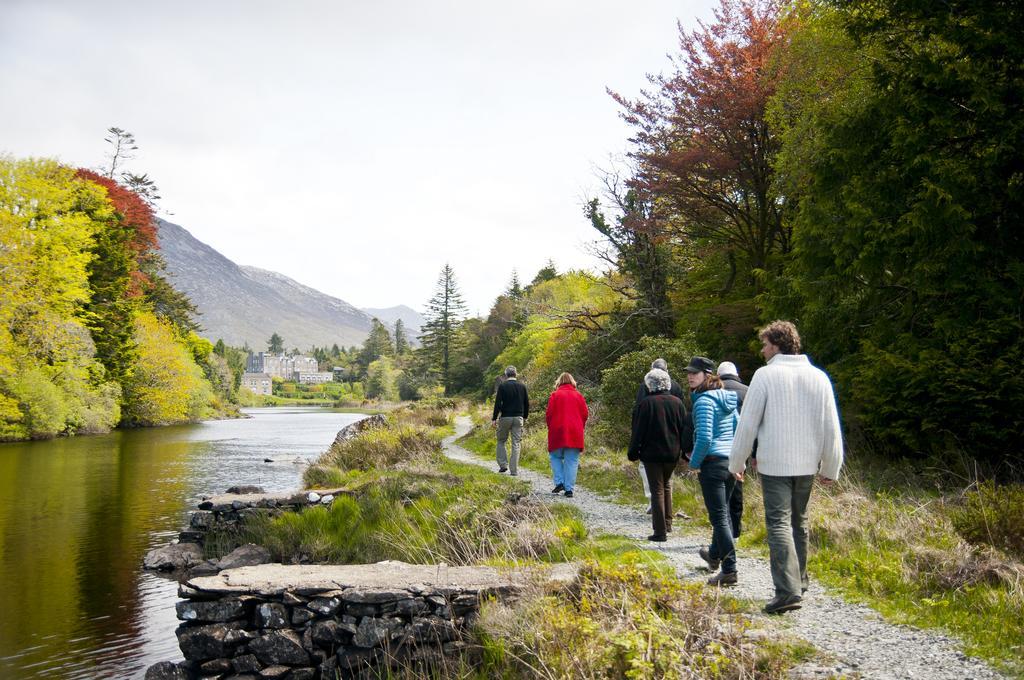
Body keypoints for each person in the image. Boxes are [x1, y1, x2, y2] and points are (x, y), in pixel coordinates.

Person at [729, 321, 844, 614]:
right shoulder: (819, 377)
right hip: (807, 463)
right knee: (799, 522)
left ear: (778, 344)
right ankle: (800, 582)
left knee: (779, 522)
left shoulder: (766, 376)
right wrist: (831, 466)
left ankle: (787, 591)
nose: (762, 349)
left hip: (775, 463)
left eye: (766, 344)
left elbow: (748, 424)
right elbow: (831, 426)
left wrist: (737, 462)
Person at [686, 356, 741, 587]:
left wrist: (694, 463)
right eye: (689, 372)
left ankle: (729, 570)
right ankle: (713, 554)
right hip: (729, 461)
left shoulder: (703, 401)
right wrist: (739, 461)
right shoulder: (729, 398)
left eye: (695, 373)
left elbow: (705, 437)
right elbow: (739, 429)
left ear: (707, 376)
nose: (690, 376)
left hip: (713, 463)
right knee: (724, 515)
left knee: (719, 518)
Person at [628, 368, 687, 542]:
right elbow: (683, 429)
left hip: (652, 453)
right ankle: (668, 523)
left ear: (649, 385)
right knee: (666, 485)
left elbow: (638, 431)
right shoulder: (678, 403)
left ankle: (659, 531)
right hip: (672, 452)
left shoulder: (646, 404)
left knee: (657, 490)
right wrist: (684, 451)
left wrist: (633, 452)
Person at [545, 372, 589, 498]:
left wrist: (550, 427)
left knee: (555, 456)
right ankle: (569, 489)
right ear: (572, 381)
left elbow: (549, 414)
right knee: (572, 460)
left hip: (557, 430)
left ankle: (559, 482)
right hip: (575, 431)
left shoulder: (555, 395)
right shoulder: (578, 395)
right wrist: (580, 426)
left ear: (559, 382)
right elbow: (585, 414)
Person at [717, 361, 747, 540]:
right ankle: (736, 530)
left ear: (718, 374)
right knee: (738, 486)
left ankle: (723, 529)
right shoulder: (748, 390)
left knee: (720, 489)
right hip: (743, 443)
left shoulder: (714, 390)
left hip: (720, 445)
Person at [492, 365, 529, 476]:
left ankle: (503, 465)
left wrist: (494, 418)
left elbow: (498, 404)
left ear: (506, 374)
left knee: (501, 440)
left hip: (505, 417)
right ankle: (514, 470)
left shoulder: (503, 386)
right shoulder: (522, 386)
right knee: (516, 443)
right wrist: (525, 416)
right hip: (518, 418)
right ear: (516, 374)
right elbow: (526, 403)